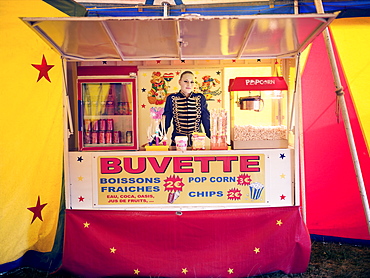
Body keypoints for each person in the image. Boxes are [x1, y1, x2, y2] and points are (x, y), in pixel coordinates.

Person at [163, 71, 211, 146]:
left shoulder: (200, 98)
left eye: (192, 82)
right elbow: (166, 120)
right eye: (186, 81)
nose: (189, 84)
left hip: (197, 143)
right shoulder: (172, 98)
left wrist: (217, 140)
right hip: (177, 143)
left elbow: (206, 120)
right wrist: (155, 140)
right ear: (179, 82)